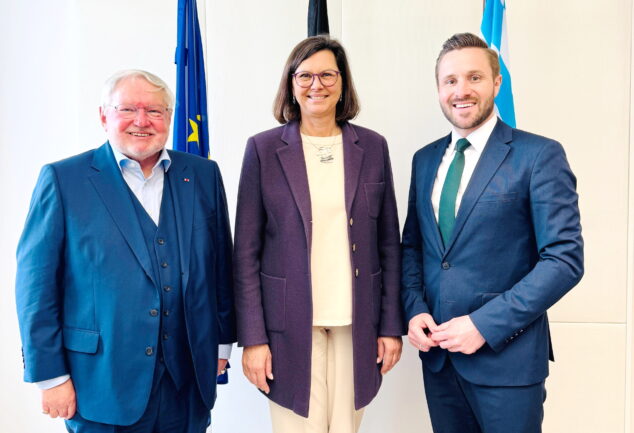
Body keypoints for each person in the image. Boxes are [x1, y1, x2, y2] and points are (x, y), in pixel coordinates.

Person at [15, 69, 236, 432]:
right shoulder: (64, 179)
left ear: (169, 117)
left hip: (187, 384)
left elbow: (220, 267)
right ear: (104, 116)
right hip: (99, 385)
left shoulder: (202, 175)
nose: (142, 121)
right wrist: (50, 376)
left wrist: (221, 344)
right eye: (128, 109)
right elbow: (35, 287)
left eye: (154, 111)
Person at [401, 33, 584, 433]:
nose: (461, 91)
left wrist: (484, 325)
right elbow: (413, 247)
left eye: (474, 77)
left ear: (497, 82)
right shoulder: (424, 160)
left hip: (508, 364)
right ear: (438, 89)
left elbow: (564, 260)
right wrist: (414, 309)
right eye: (450, 81)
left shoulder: (539, 155)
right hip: (440, 363)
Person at [233, 35, 403, 433]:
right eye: (305, 75)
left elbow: (389, 246)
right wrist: (253, 338)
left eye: (327, 75)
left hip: (356, 322)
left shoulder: (372, 147)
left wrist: (390, 326)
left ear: (342, 82)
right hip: (287, 326)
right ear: (291, 84)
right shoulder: (263, 149)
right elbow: (245, 254)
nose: (317, 85)